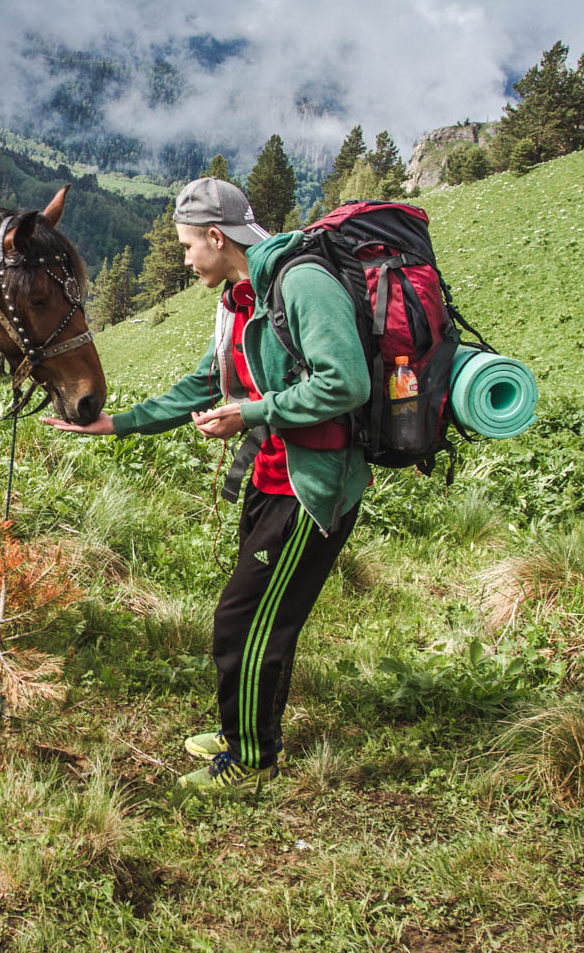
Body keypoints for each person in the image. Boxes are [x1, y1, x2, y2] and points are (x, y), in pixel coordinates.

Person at [43, 177, 369, 796]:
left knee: (243, 624)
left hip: (311, 488)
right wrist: (118, 424)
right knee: (263, 620)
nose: (186, 258)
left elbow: (346, 382)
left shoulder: (299, 284)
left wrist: (250, 412)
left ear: (217, 238)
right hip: (270, 478)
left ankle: (252, 760)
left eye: (189, 246)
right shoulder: (241, 300)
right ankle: (246, 727)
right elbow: (202, 385)